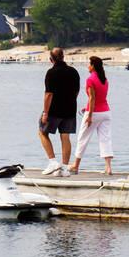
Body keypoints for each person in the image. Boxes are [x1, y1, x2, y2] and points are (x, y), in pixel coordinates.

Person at [38, 47, 80, 175]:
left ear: (51, 59)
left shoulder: (51, 72)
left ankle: (53, 162)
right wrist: (70, 102)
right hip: (70, 109)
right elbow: (77, 91)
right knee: (65, 137)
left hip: (54, 110)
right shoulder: (73, 72)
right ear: (63, 57)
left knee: (42, 132)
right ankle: (65, 168)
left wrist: (45, 113)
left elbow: (48, 94)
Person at [72, 56, 113, 175]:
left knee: (83, 137)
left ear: (93, 66)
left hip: (94, 112)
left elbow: (92, 97)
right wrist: (87, 107)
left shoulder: (90, 79)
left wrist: (89, 115)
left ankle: (75, 165)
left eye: (88, 64)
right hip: (106, 112)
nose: (87, 66)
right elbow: (99, 98)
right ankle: (108, 167)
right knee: (105, 138)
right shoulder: (104, 79)